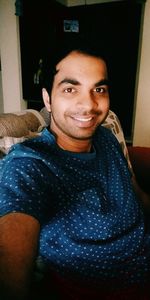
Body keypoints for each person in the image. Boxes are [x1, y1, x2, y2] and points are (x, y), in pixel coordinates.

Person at [0, 36, 150, 300]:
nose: (90, 104)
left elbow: (136, 193)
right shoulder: (30, 164)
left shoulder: (105, 138)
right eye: (70, 89)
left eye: (99, 89)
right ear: (47, 99)